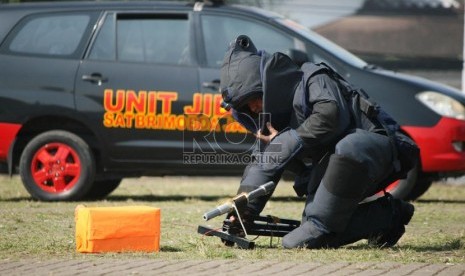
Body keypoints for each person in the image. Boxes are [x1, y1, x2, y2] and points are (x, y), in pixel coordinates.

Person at [219, 35, 418, 249]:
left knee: (316, 230)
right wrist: (243, 209)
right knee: (306, 234)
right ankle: (384, 218)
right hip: (335, 162)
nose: (253, 109)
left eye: (253, 100)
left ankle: (389, 214)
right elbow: (265, 162)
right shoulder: (269, 117)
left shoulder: (313, 77)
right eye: (246, 107)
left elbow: (330, 117)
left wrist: (288, 139)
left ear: (264, 86)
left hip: (376, 150)